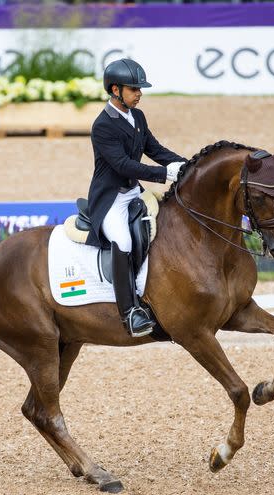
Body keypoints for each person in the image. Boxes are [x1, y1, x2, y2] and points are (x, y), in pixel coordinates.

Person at [85, 58, 187, 337]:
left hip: (134, 192)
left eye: (140, 89)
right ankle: (129, 311)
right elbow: (123, 166)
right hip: (110, 199)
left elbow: (155, 149)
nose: (139, 93)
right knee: (124, 240)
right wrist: (165, 174)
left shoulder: (137, 117)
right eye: (134, 89)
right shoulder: (103, 126)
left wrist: (190, 166)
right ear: (115, 90)